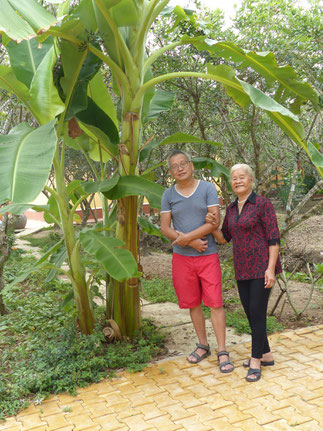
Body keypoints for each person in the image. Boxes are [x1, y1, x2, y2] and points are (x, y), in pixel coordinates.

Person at [206, 163, 281, 382]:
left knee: (257, 312)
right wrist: (212, 226)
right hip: (242, 269)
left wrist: (270, 269)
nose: (238, 181)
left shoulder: (262, 204)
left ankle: (256, 359)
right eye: (234, 178)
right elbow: (224, 238)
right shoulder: (230, 209)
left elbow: (273, 239)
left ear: (251, 180)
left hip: (261, 267)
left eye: (242, 177)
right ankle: (266, 354)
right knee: (250, 313)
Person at [160, 150, 234, 372]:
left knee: (215, 303)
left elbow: (214, 222)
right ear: (171, 172)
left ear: (191, 165)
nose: (180, 168)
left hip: (208, 256)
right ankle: (203, 345)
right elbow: (165, 228)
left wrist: (187, 238)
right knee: (193, 303)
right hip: (183, 259)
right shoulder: (168, 194)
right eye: (175, 166)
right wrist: (190, 243)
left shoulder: (207, 188)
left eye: (183, 163)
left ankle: (222, 350)